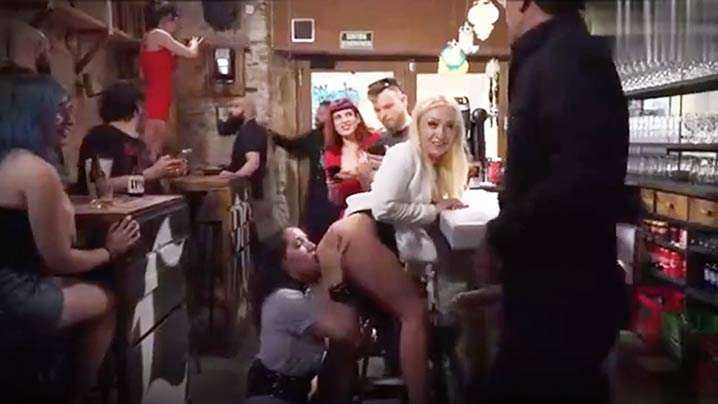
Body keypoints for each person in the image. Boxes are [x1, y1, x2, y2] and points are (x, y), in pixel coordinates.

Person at [483, 1, 628, 402]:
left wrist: (499, 234)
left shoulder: (566, 57)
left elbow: (575, 180)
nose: (504, 10)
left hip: (562, 288)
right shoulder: (557, 54)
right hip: (554, 283)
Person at [0, 74, 140, 403]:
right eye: (60, 110)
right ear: (34, 113)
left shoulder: (9, 161)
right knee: (108, 298)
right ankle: (73, 395)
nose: (70, 120)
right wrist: (109, 250)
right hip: (16, 298)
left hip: (10, 286)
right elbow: (60, 258)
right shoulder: (37, 171)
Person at [246, 227, 348, 404]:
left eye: (307, 240)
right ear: (283, 262)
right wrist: (334, 272)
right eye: (298, 244)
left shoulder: (306, 292)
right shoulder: (286, 299)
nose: (312, 246)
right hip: (273, 396)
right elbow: (344, 332)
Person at [75, 82, 184, 195]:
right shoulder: (99, 138)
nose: (146, 113)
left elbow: (137, 185)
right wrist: (149, 174)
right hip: (116, 206)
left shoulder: (137, 142)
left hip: (146, 204)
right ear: (137, 108)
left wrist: (164, 171)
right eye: (143, 106)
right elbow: (100, 187)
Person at [140, 0, 203, 157]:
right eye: (174, 19)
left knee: (156, 141)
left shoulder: (150, 37)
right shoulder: (158, 35)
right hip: (158, 93)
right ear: (166, 18)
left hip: (159, 92)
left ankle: (152, 165)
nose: (176, 24)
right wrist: (194, 43)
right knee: (153, 141)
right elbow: (191, 53)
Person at [272, 101, 339, 242]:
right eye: (317, 113)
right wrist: (272, 135)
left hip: (337, 193)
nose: (317, 116)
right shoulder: (314, 136)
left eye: (321, 113)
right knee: (315, 230)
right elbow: (292, 145)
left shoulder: (340, 136)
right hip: (317, 192)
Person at [322, 98, 381, 213]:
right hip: (349, 210)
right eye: (338, 117)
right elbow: (334, 199)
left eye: (348, 114)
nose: (344, 120)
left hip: (379, 208)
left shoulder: (375, 141)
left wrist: (363, 175)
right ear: (333, 124)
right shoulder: (332, 154)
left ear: (357, 118)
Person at [367, 77, 412, 148]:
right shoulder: (376, 139)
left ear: (403, 101)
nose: (382, 115)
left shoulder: (421, 136)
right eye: (378, 110)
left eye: (388, 107)